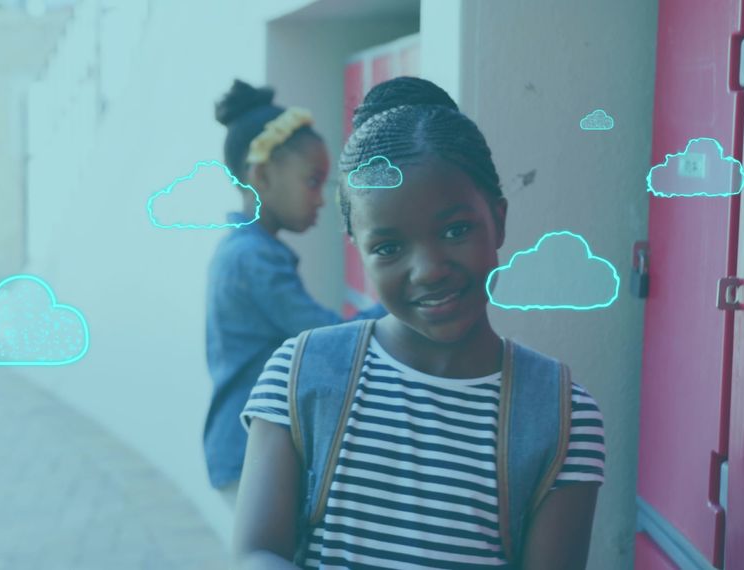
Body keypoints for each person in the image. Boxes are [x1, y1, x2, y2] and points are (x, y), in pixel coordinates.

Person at [233, 77, 606, 569]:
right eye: (388, 247)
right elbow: (256, 553)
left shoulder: (562, 416)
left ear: (498, 219)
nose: (428, 269)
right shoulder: (301, 373)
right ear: (357, 249)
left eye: (456, 230)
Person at [204, 79, 388, 508]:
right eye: (313, 181)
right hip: (248, 451)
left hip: (243, 447)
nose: (323, 200)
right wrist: (398, 302)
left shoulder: (246, 249)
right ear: (262, 176)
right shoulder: (254, 260)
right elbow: (325, 340)